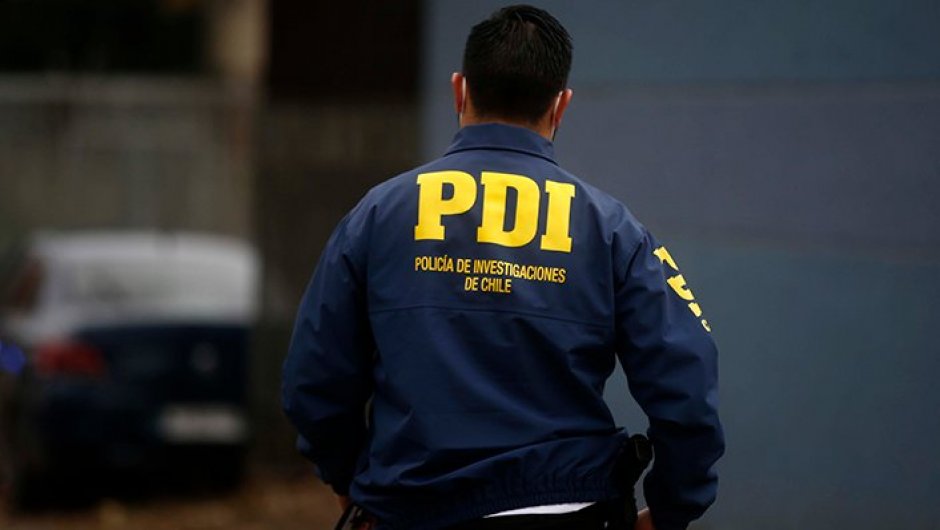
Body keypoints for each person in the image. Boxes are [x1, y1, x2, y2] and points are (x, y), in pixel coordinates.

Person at [282, 5, 724, 530]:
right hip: (569, 506)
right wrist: (673, 507)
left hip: (411, 510)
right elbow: (688, 383)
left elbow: (313, 380)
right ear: (561, 105)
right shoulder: (612, 229)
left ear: (459, 91)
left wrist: (351, 483)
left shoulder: (378, 215)